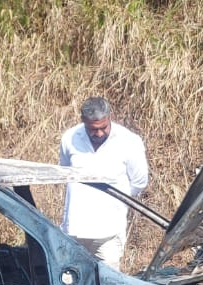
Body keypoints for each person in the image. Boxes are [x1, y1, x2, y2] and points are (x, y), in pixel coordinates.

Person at [59, 96, 149, 271]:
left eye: (103, 128)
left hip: (109, 232)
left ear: (110, 118)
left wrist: (113, 204)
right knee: (70, 281)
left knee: (109, 283)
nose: (99, 134)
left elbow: (138, 182)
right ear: (83, 121)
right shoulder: (70, 138)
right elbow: (65, 173)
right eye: (93, 129)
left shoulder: (129, 141)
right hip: (74, 229)